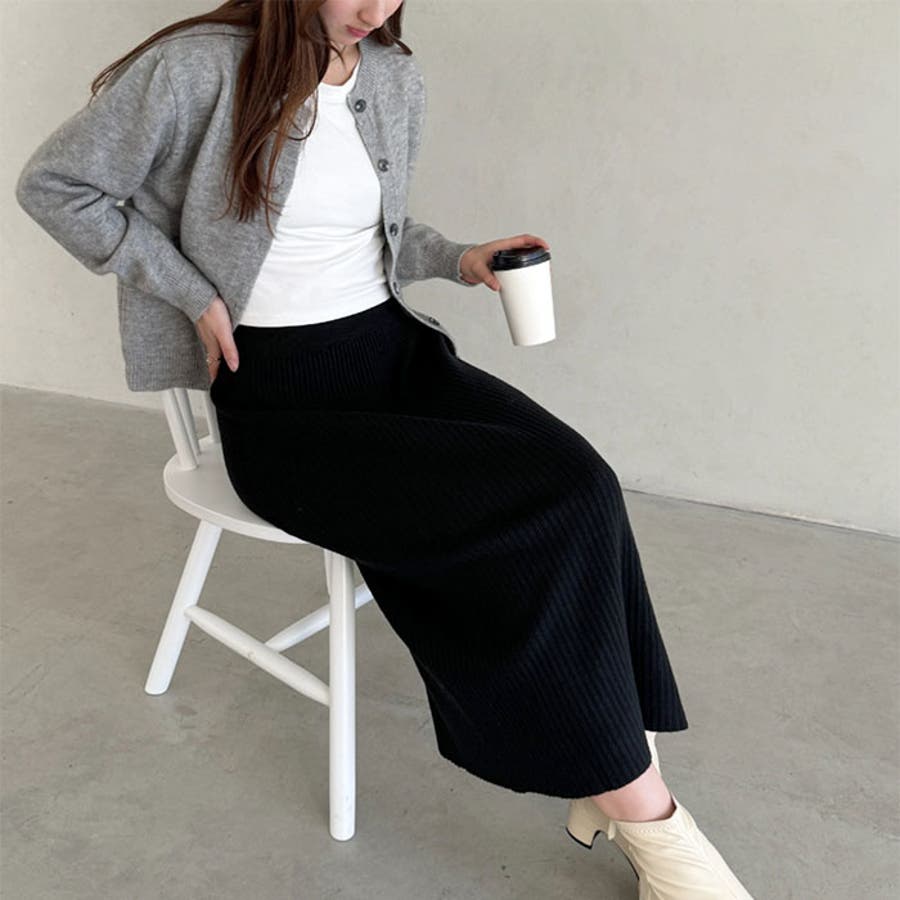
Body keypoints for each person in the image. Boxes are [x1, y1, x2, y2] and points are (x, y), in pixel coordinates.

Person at [14, 1, 754, 896]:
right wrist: (191, 292)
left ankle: (610, 766)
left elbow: (367, 234)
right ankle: (647, 818)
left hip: (397, 360)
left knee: (583, 483)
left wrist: (459, 258)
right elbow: (55, 185)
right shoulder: (198, 69)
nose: (376, 10)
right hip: (282, 402)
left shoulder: (393, 76)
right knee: (535, 512)